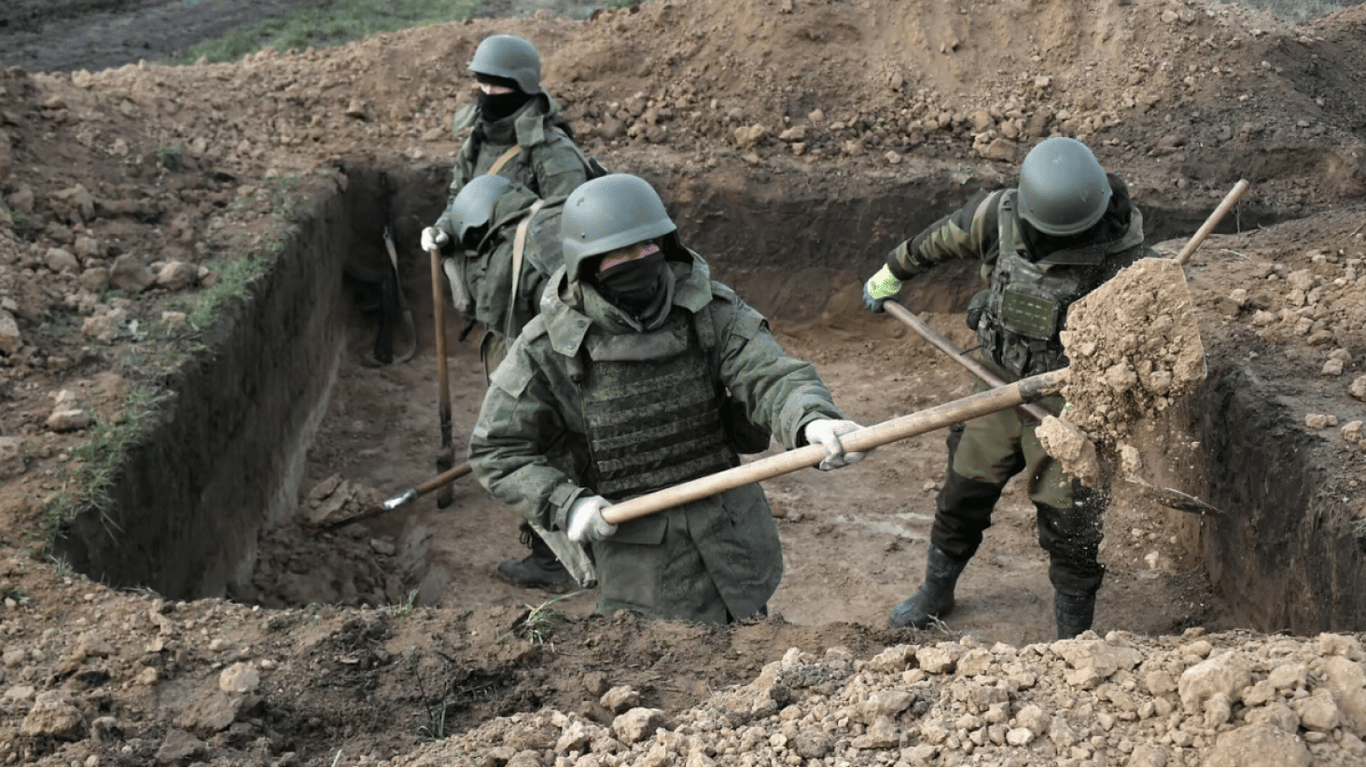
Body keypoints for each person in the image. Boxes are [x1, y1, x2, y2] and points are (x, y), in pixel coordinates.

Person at [467, 173, 868, 624]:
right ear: (588, 264)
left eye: (646, 247)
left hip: (729, 532)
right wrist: (565, 502)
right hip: (636, 554)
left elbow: (770, 375)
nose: (637, 260)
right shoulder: (547, 347)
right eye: (619, 253)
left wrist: (812, 420)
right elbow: (495, 450)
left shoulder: (709, 309)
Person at [862, 136, 1156, 639]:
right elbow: (940, 239)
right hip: (996, 384)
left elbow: (1142, 346)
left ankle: (1074, 637)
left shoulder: (1124, 259)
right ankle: (937, 590)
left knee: (1072, 525)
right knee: (962, 494)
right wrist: (892, 270)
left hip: (1072, 406)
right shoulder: (998, 217)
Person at [420, 32, 594, 590]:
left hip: (539, 312)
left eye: (497, 84)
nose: (486, 91)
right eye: (480, 81)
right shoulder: (475, 135)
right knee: (520, 419)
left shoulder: (551, 149)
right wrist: (443, 230)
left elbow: (574, 231)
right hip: (497, 305)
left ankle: (556, 555)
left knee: (541, 428)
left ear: (522, 87)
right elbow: (461, 195)